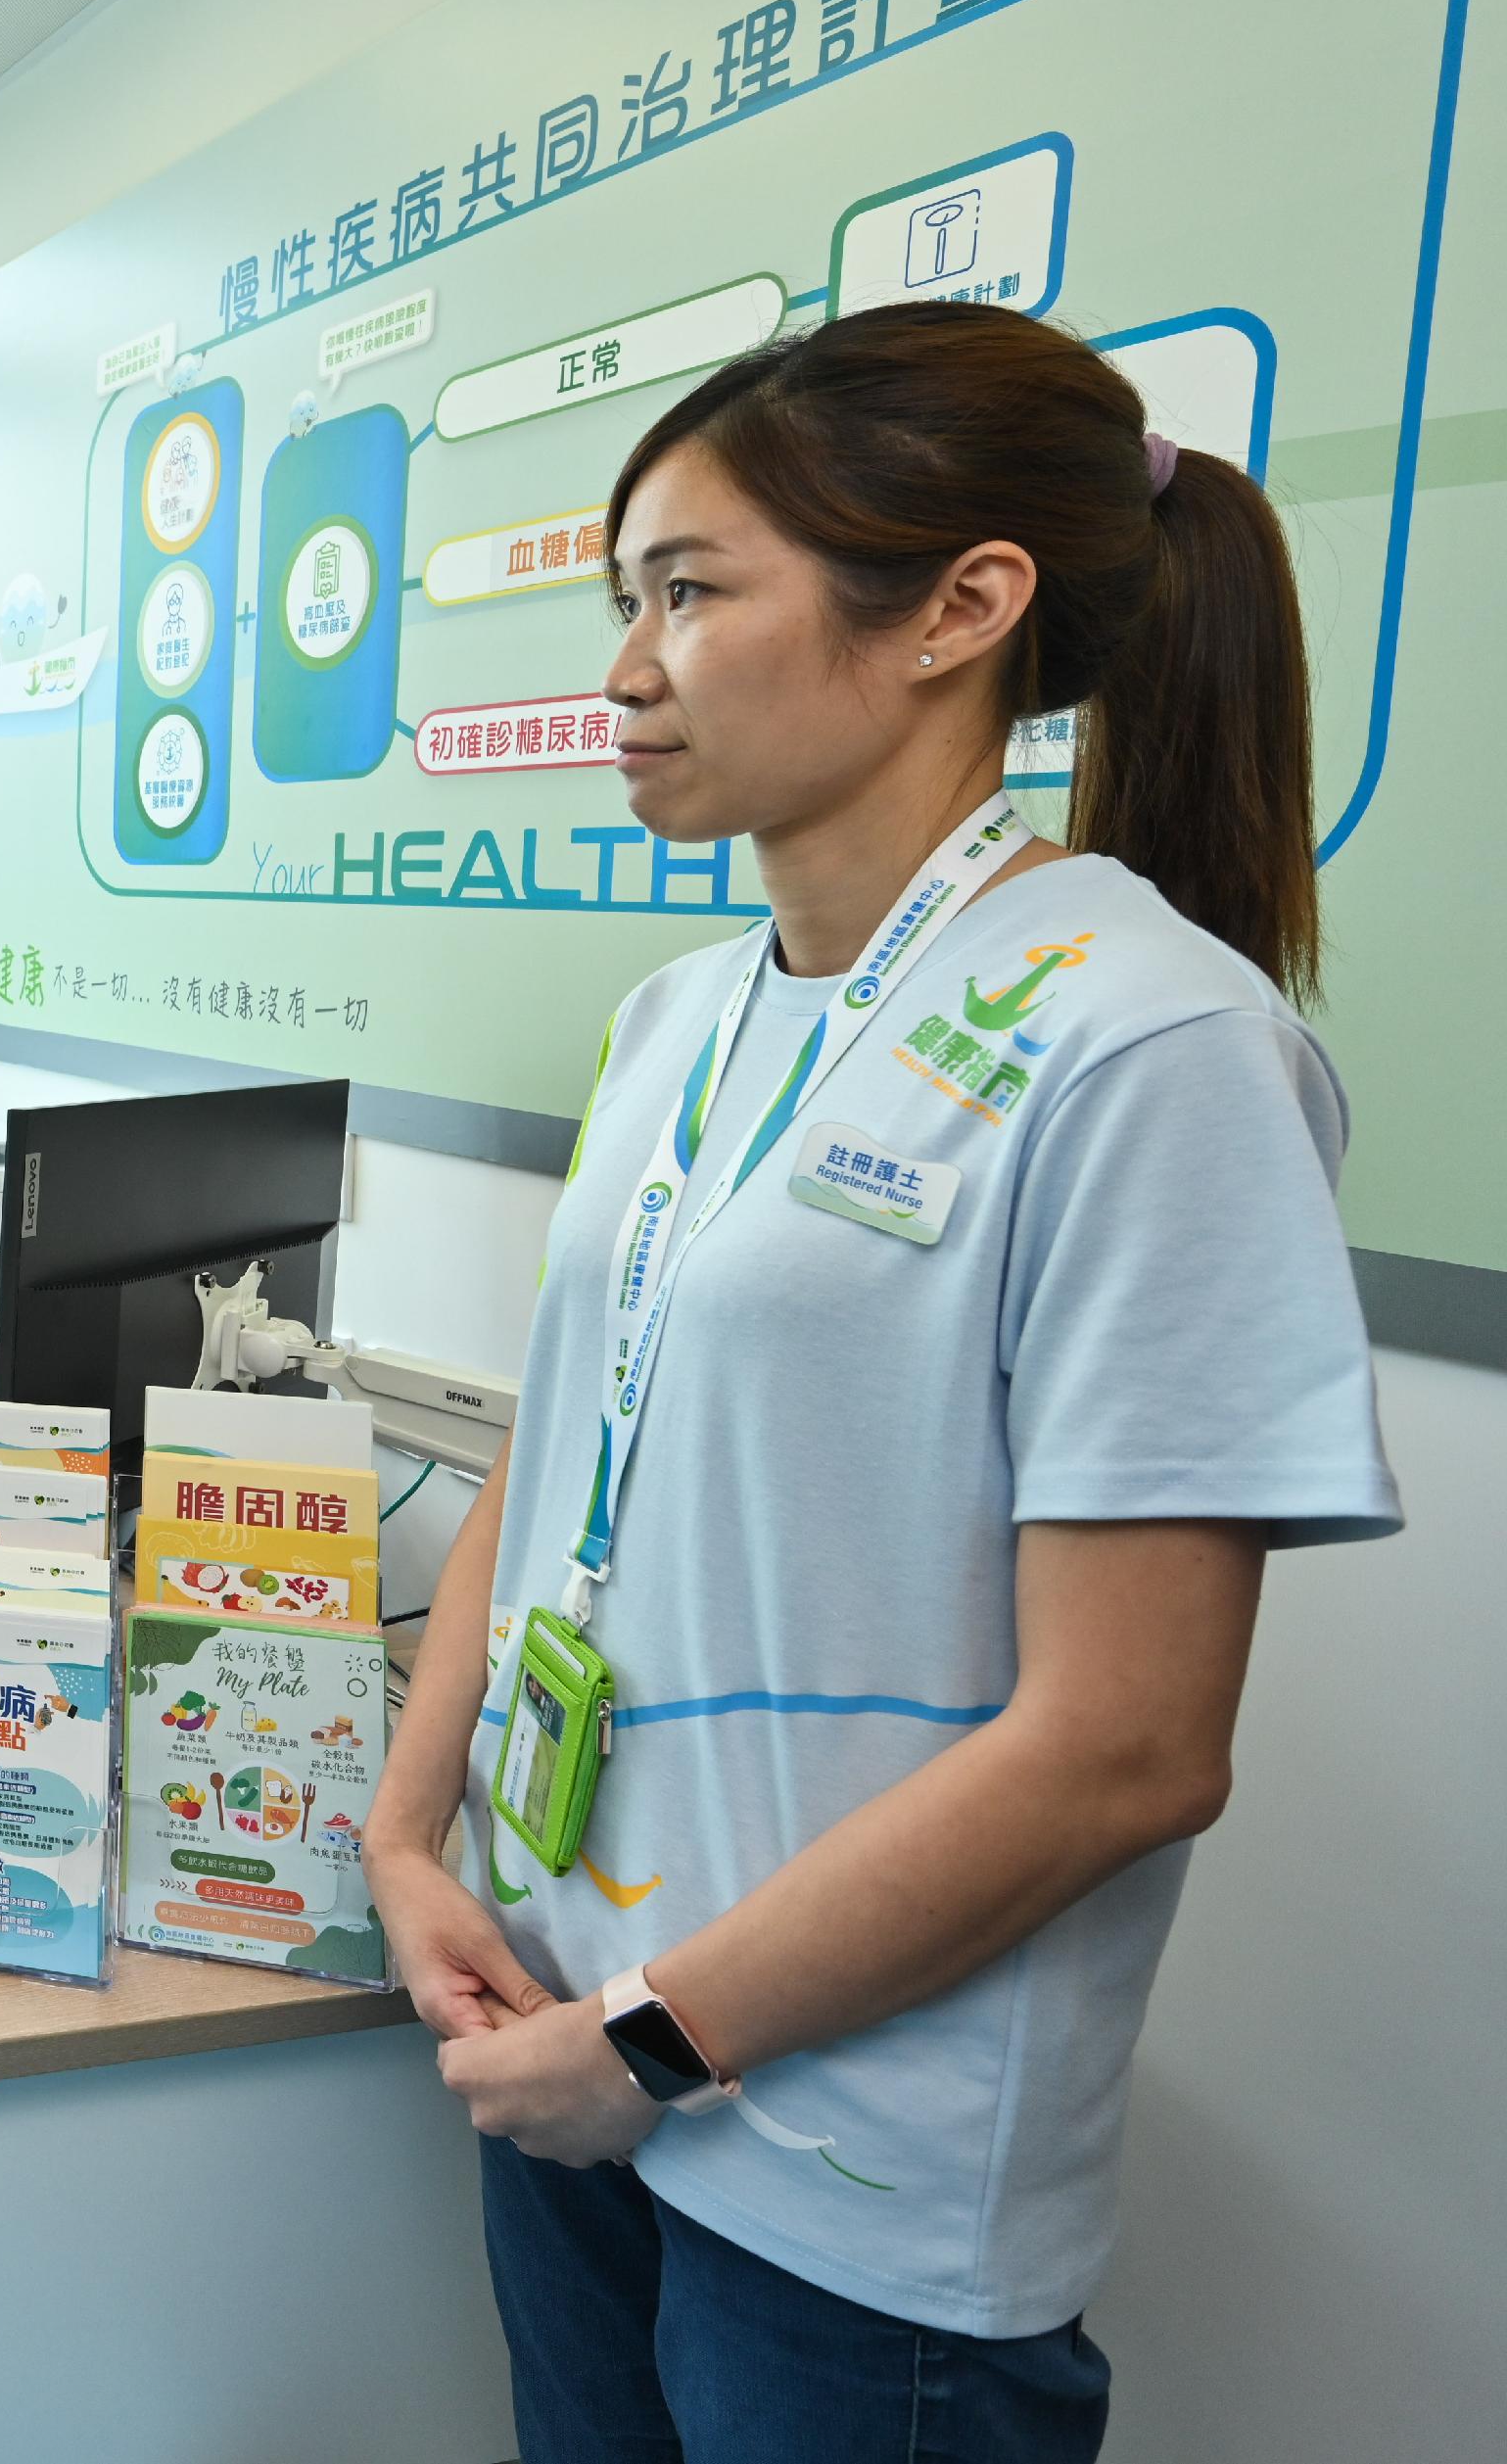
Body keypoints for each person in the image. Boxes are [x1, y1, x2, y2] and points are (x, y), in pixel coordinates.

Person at [360, 300, 1400, 2461]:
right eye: (619, 597)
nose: (624, 666)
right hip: (567, 2034)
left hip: (839, 2169)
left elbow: (1123, 1742)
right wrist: (405, 1823)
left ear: (958, 609)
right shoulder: (679, 1015)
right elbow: (563, 1442)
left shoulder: (1150, 1041)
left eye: (688, 590)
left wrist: (647, 2043)